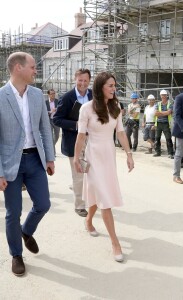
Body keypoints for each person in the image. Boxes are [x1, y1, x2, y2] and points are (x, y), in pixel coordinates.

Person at [0, 52, 55, 276]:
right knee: (13, 212)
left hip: (35, 159)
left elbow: (45, 128)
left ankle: (26, 231)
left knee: (43, 204)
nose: (36, 71)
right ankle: (16, 255)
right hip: (10, 163)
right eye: (33, 67)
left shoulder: (36, 94)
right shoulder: (1, 96)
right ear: (18, 68)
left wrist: (49, 157)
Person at [73, 71, 134, 262]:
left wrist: (129, 154)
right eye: (110, 85)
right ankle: (115, 243)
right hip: (93, 156)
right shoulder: (87, 108)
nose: (114, 89)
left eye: (114, 86)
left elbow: (121, 133)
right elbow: (81, 136)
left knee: (99, 193)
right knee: (105, 199)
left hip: (109, 156)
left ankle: (89, 220)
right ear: (100, 87)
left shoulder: (116, 107)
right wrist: (76, 158)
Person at [53, 68, 92, 217]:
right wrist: (77, 125)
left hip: (91, 140)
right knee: (79, 174)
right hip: (74, 141)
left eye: (85, 81)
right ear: (75, 80)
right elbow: (56, 119)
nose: (82, 83)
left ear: (89, 81)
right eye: (80, 80)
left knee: (91, 172)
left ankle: (86, 195)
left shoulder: (93, 96)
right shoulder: (67, 97)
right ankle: (80, 205)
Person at [153, 89, 174, 158]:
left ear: (166, 96)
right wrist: (164, 113)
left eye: (164, 95)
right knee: (157, 138)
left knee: (168, 138)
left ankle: (170, 153)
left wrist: (160, 112)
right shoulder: (158, 104)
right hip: (158, 123)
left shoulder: (170, 104)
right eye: (162, 95)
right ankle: (157, 152)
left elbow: (169, 113)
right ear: (160, 95)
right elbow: (156, 113)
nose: (163, 96)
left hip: (166, 123)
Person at [45, 89, 60, 155]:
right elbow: (44, 113)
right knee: (50, 137)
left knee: (57, 136)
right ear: (48, 95)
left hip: (56, 121)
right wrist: (51, 111)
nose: (53, 95)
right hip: (49, 121)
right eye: (51, 94)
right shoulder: (45, 102)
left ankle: (51, 147)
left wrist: (57, 110)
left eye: (54, 93)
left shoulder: (58, 101)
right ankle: (53, 153)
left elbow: (62, 110)